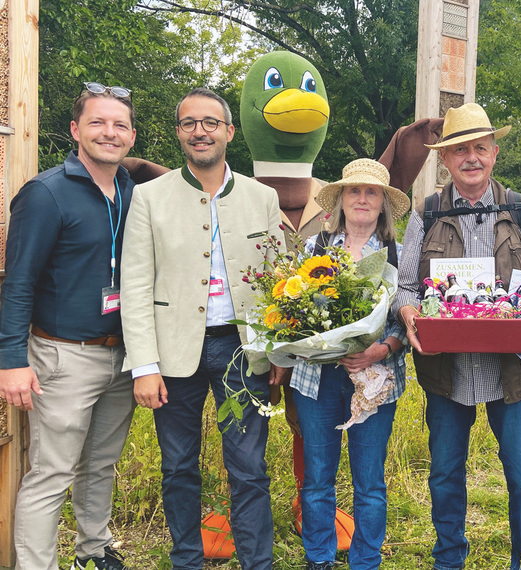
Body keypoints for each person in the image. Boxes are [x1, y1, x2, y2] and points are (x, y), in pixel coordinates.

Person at [393, 103, 521, 570]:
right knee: (445, 475)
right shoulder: (425, 214)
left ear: (493, 153)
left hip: (510, 371)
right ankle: (449, 559)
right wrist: (409, 313)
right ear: (444, 160)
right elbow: (406, 285)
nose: (471, 158)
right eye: (459, 151)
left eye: (479, 148)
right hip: (447, 371)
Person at [119, 88, 282, 569]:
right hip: (173, 355)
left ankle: (258, 562)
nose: (200, 131)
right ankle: (186, 559)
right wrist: (144, 367)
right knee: (178, 467)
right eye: (189, 123)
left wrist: (276, 352)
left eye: (210, 122)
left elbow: (280, 283)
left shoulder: (263, 197)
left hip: (242, 351)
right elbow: (135, 285)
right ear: (178, 133)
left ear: (229, 132)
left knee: (249, 469)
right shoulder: (149, 197)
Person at [0, 83, 136, 570]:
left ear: (132, 137)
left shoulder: (129, 190)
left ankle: (93, 552)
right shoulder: (45, 194)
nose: (109, 132)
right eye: (98, 122)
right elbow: (17, 282)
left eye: (119, 124)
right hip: (63, 357)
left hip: (123, 354)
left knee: (100, 465)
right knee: (52, 472)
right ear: (76, 129)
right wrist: (12, 361)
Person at [285, 158, 410, 570]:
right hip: (316, 379)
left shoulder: (400, 255)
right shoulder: (313, 249)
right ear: (340, 200)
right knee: (318, 478)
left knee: (369, 482)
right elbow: (292, 308)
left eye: (370, 192)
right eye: (353, 191)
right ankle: (318, 558)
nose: (361, 198)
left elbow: (408, 322)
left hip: (375, 381)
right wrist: (309, 339)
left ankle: (365, 560)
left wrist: (380, 349)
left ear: (382, 204)